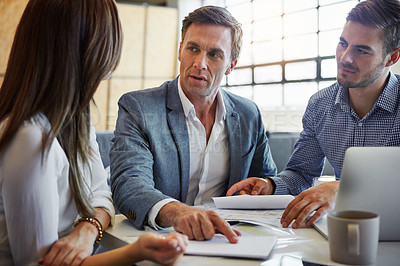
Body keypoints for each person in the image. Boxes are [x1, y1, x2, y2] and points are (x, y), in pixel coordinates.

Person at [0, 0, 188, 265]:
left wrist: (88, 228)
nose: (106, 73)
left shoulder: (76, 117)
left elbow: (101, 193)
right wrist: (136, 252)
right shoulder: (30, 138)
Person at [227, 0, 400, 229]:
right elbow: (301, 174)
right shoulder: (320, 105)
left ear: (392, 57)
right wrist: (269, 185)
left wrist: (345, 188)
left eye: (362, 50)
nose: (345, 58)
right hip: (345, 233)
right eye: (343, 43)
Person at [110, 5, 277, 243]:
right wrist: (178, 213)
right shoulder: (139, 107)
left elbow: (267, 180)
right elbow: (129, 185)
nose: (200, 63)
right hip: (162, 239)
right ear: (180, 50)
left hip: (230, 240)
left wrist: (264, 187)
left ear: (231, 65)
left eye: (214, 54)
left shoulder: (248, 113)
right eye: (193, 48)